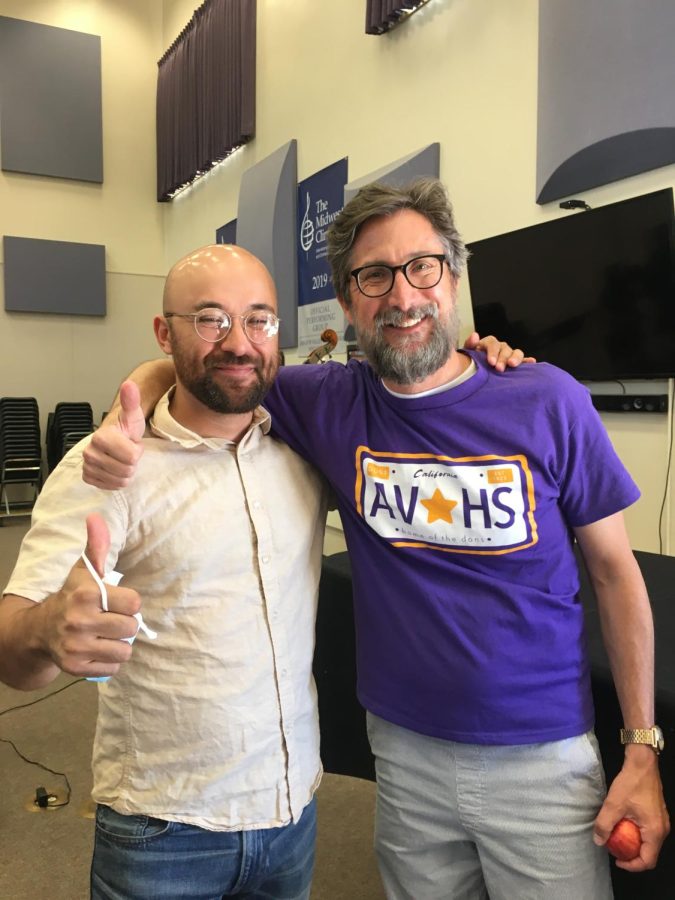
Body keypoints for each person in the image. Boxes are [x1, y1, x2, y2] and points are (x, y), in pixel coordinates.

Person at [79, 177, 670, 899]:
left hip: (541, 757)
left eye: (421, 266)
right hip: (403, 751)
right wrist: (126, 411)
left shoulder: (548, 400)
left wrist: (640, 747)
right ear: (349, 296)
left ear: (452, 276)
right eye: (373, 276)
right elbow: (209, 365)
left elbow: (614, 573)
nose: (401, 296)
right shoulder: (324, 400)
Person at [0, 246, 332, 900]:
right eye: (209, 319)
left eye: (258, 320)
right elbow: (13, 653)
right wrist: (47, 629)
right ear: (164, 332)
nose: (238, 342)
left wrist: (495, 357)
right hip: (165, 829)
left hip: (292, 809)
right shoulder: (109, 466)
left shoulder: (305, 444)